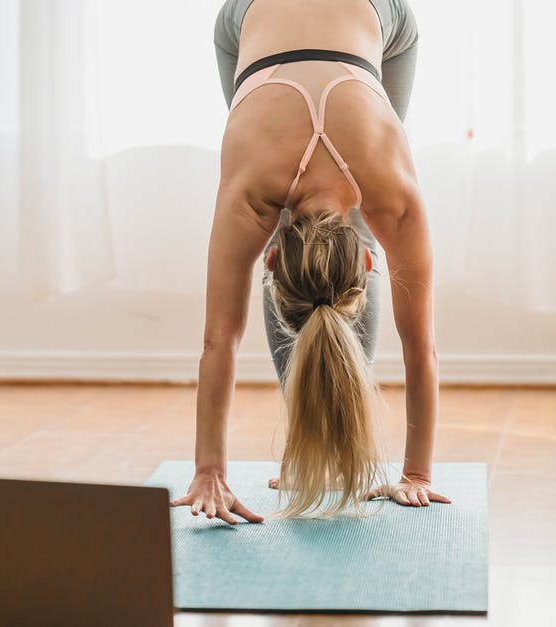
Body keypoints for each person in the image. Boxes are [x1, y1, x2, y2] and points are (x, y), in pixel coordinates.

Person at [168, 0, 448, 524]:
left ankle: (334, 440)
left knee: (336, 209)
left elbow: (216, 341)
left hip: (372, 20)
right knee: (328, 207)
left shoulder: (253, 194)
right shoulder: (390, 196)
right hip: (253, 27)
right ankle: (320, 439)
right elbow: (422, 346)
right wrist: (417, 475)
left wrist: (210, 471)